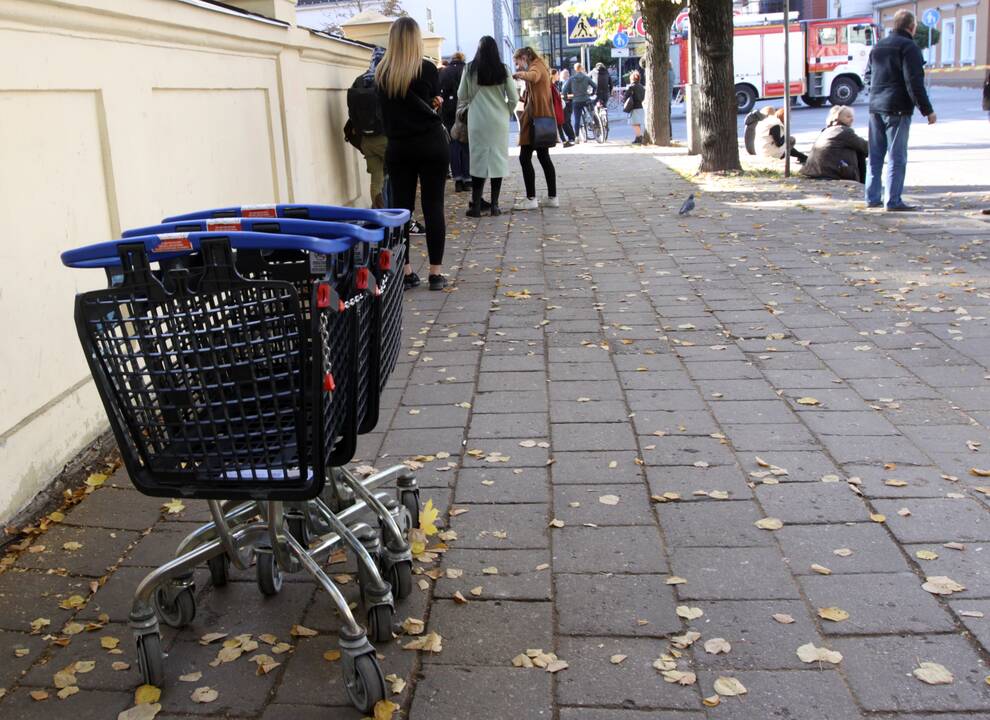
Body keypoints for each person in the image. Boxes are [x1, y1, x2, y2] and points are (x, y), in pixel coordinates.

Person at [375, 16, 449, 291]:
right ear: (417, 40)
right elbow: (430, 100)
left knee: (402, 210)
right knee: (434, 206)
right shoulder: (428, 69)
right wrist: (435, 103)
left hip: (399, 147)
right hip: (431, 145)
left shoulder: (382, 74)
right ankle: (435, 273)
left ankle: (406, 272)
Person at [864, 9, 936, 212]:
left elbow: (867, 75)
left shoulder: (878, 46)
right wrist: (927, 110)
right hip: (897, 108)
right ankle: (893, 200)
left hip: (875, 107)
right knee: (897, 156)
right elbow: (914, 81)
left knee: (875, 155)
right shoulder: (909, 47)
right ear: (912, 27)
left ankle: (872, 197)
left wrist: (876, 93)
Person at [457, 36, 518, 217]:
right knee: (497, 160)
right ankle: (495, 206)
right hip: (498, 121)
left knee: (478, 161)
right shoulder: (503, 69)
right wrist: (505, 111)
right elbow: (514, 98)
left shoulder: (469, 69)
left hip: (477, 121)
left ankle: (476, 205)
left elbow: (462, 94)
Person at [512, 47, 557, 210]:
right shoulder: (540, 65)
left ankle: (531, 198)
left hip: (534, 120)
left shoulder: (536, 66)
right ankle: (552, 197)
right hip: (541, 118)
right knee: (544, 157)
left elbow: (533, 76)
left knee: (525, 158)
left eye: (518, 62)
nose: (518, 67)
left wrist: (520, 75)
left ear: (524, 57)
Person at [344, 47, 388, 208]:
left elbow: (351, 110)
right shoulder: (387, 80)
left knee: (376, 178)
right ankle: (396, 216)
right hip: (386, 138)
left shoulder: (359, 80)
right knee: (394, 177)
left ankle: (379, 213)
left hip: (366, 140)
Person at [801, 105, 869, 183]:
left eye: (852, 116)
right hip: (829, 174)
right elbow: (866, 148)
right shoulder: (843, 131)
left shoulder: (827, 130)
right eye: (848, 116)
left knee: (855, 147)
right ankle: (863, 184)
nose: (852, 119)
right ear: (838, 118)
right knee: (860, 151)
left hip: (815, 171)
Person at [439, 51, 470, 192]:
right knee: (466, 143)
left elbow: (441, 92)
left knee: (453, 143)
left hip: (448, 110)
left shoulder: (445, 72)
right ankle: (467, 178)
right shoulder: (467, 70)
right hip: (465, 110)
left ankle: (457, 178)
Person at [561, 62, 595, 142]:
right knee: (592, 112)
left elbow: (564, 90)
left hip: (576, 101)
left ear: (575, 69)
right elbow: (595, 86)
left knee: (577, 119)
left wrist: (566, 98)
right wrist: (592, 93)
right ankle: (595, 123)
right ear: (581, 68)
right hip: (586, 99)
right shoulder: (586, 78)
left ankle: (576, 137)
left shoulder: (571, 79)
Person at [551, 69, 575, 147]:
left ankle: (564, 141)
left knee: (559, 124)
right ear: (553, 75)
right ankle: (564, 141)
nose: (558, 76)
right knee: (559, 124)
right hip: (556, 107)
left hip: (559, 107)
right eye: (557, 74)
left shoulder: (554, 85)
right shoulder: (551, 85)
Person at [623, 70, 645, 145]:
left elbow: (626, 97)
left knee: (634, 123)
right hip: (640, 106)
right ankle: (637, 137)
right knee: (637, 123)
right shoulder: (641, 86)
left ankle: (639, 137)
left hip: (634, 107)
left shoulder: (631, 87)